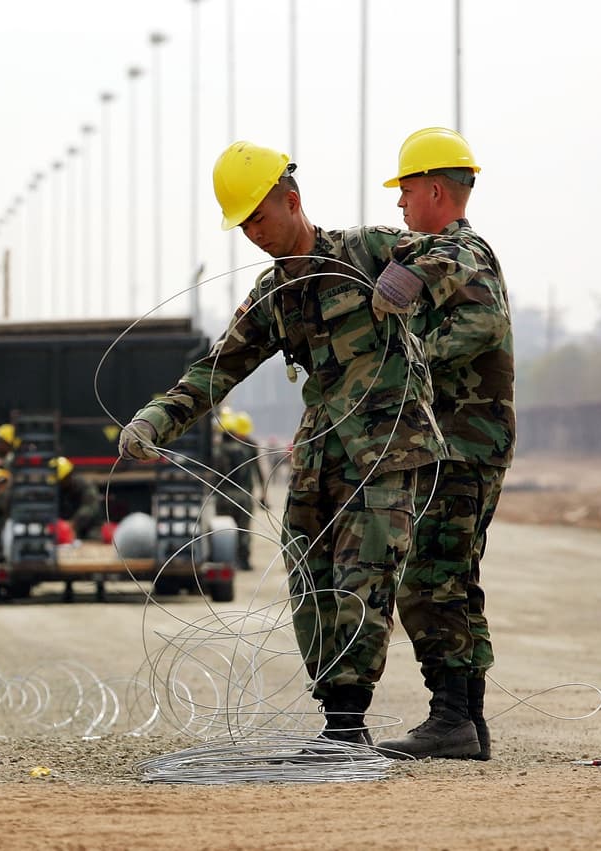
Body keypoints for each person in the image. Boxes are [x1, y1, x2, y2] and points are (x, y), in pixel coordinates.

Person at [118, 141, 447, 745]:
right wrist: (156, 421)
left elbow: (457, 253)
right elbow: (216, 368)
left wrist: (408, 276)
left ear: (292, 201)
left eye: (259, 218)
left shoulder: (365, 251)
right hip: (323, 456)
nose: (252, 233)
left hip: (391, 451)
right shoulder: (274, 295)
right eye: (242, 225)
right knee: (308, 578)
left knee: (362, 576)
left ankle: (349, 722)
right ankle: (335, 714)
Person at [370, 128, 515, 761]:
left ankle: (452, 718)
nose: (400, 205)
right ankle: (464, 721)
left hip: (463, 443)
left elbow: (484, 323)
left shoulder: (459, 251)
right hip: (462, 443)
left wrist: (411, 359)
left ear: (433, 189)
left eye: (405, 192)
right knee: (453, 577)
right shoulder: (455, 254)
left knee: (430, 576)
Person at [211, 412, 263, 570]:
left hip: (223, 497)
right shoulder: (246, 450)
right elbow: (255, 472)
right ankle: (244, 561)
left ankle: (228, 559)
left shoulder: (217, 451)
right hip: (244, 497)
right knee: (243, 530)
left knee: (225, 530)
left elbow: (213, 476)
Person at [51, 456, 102, 540]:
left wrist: (73, 523)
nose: (59, 484)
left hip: (87, 529)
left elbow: (91, 508)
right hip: (63, 531)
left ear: (68, 476)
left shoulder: (84, 486)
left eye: (62, 481)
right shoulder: (57, 489)